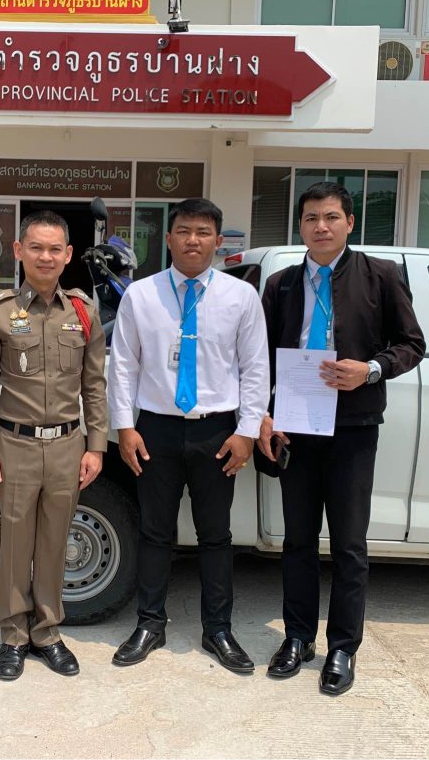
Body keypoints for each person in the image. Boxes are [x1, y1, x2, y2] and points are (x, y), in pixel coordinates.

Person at [259, 181, 425, 695]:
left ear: (349, 223)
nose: (321, 227)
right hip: (296, 426)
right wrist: (265, 415)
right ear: (300, 225)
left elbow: (411, 344)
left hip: (353, 426)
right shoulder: (282, 284)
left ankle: (342, 648)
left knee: (350, 544)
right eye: (311, 218)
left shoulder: (381, 275)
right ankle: (297, 638)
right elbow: (261, 357)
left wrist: (370, 369)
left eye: (331, 217)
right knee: (298, 541)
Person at [107, 197, 269, 672]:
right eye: (183, 231)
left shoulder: (241, 297)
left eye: (202, 232)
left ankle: (218, 629)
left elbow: (255, 368)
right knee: (154, 532)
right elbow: (123, 366)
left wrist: (246, 431)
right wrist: (125, 427)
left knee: (215, 535)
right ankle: (150, 623)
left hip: (218, 432)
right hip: (155, 429)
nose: (192, 240)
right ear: (169, 238)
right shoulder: (141, 295)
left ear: (218, 241)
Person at [0, 211, 108, 682]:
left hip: (68, 446)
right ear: (19, 251)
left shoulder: (83, 312)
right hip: (15, 445)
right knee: (14, 544)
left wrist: (96, 446)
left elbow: (94, 385)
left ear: (68, 255)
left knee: (54, 543)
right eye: (36, 247)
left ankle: (47, 632)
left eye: (54, 249)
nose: (45, 257)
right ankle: (13, 635)